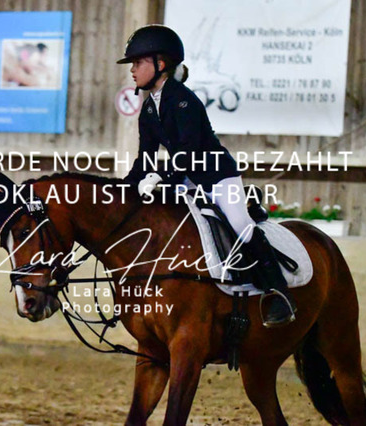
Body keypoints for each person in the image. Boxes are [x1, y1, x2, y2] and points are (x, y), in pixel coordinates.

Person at [117, 25, 296, 327]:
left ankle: (278, 292)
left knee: (240, 224)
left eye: (137, 62)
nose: (132, 70)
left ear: (161, 63)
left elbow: (188, 152)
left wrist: (160, 176)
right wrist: (123, 189)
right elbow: (144, 158)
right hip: (184, 179)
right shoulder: (148, 109)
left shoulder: (184, 101)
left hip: (217, 176)